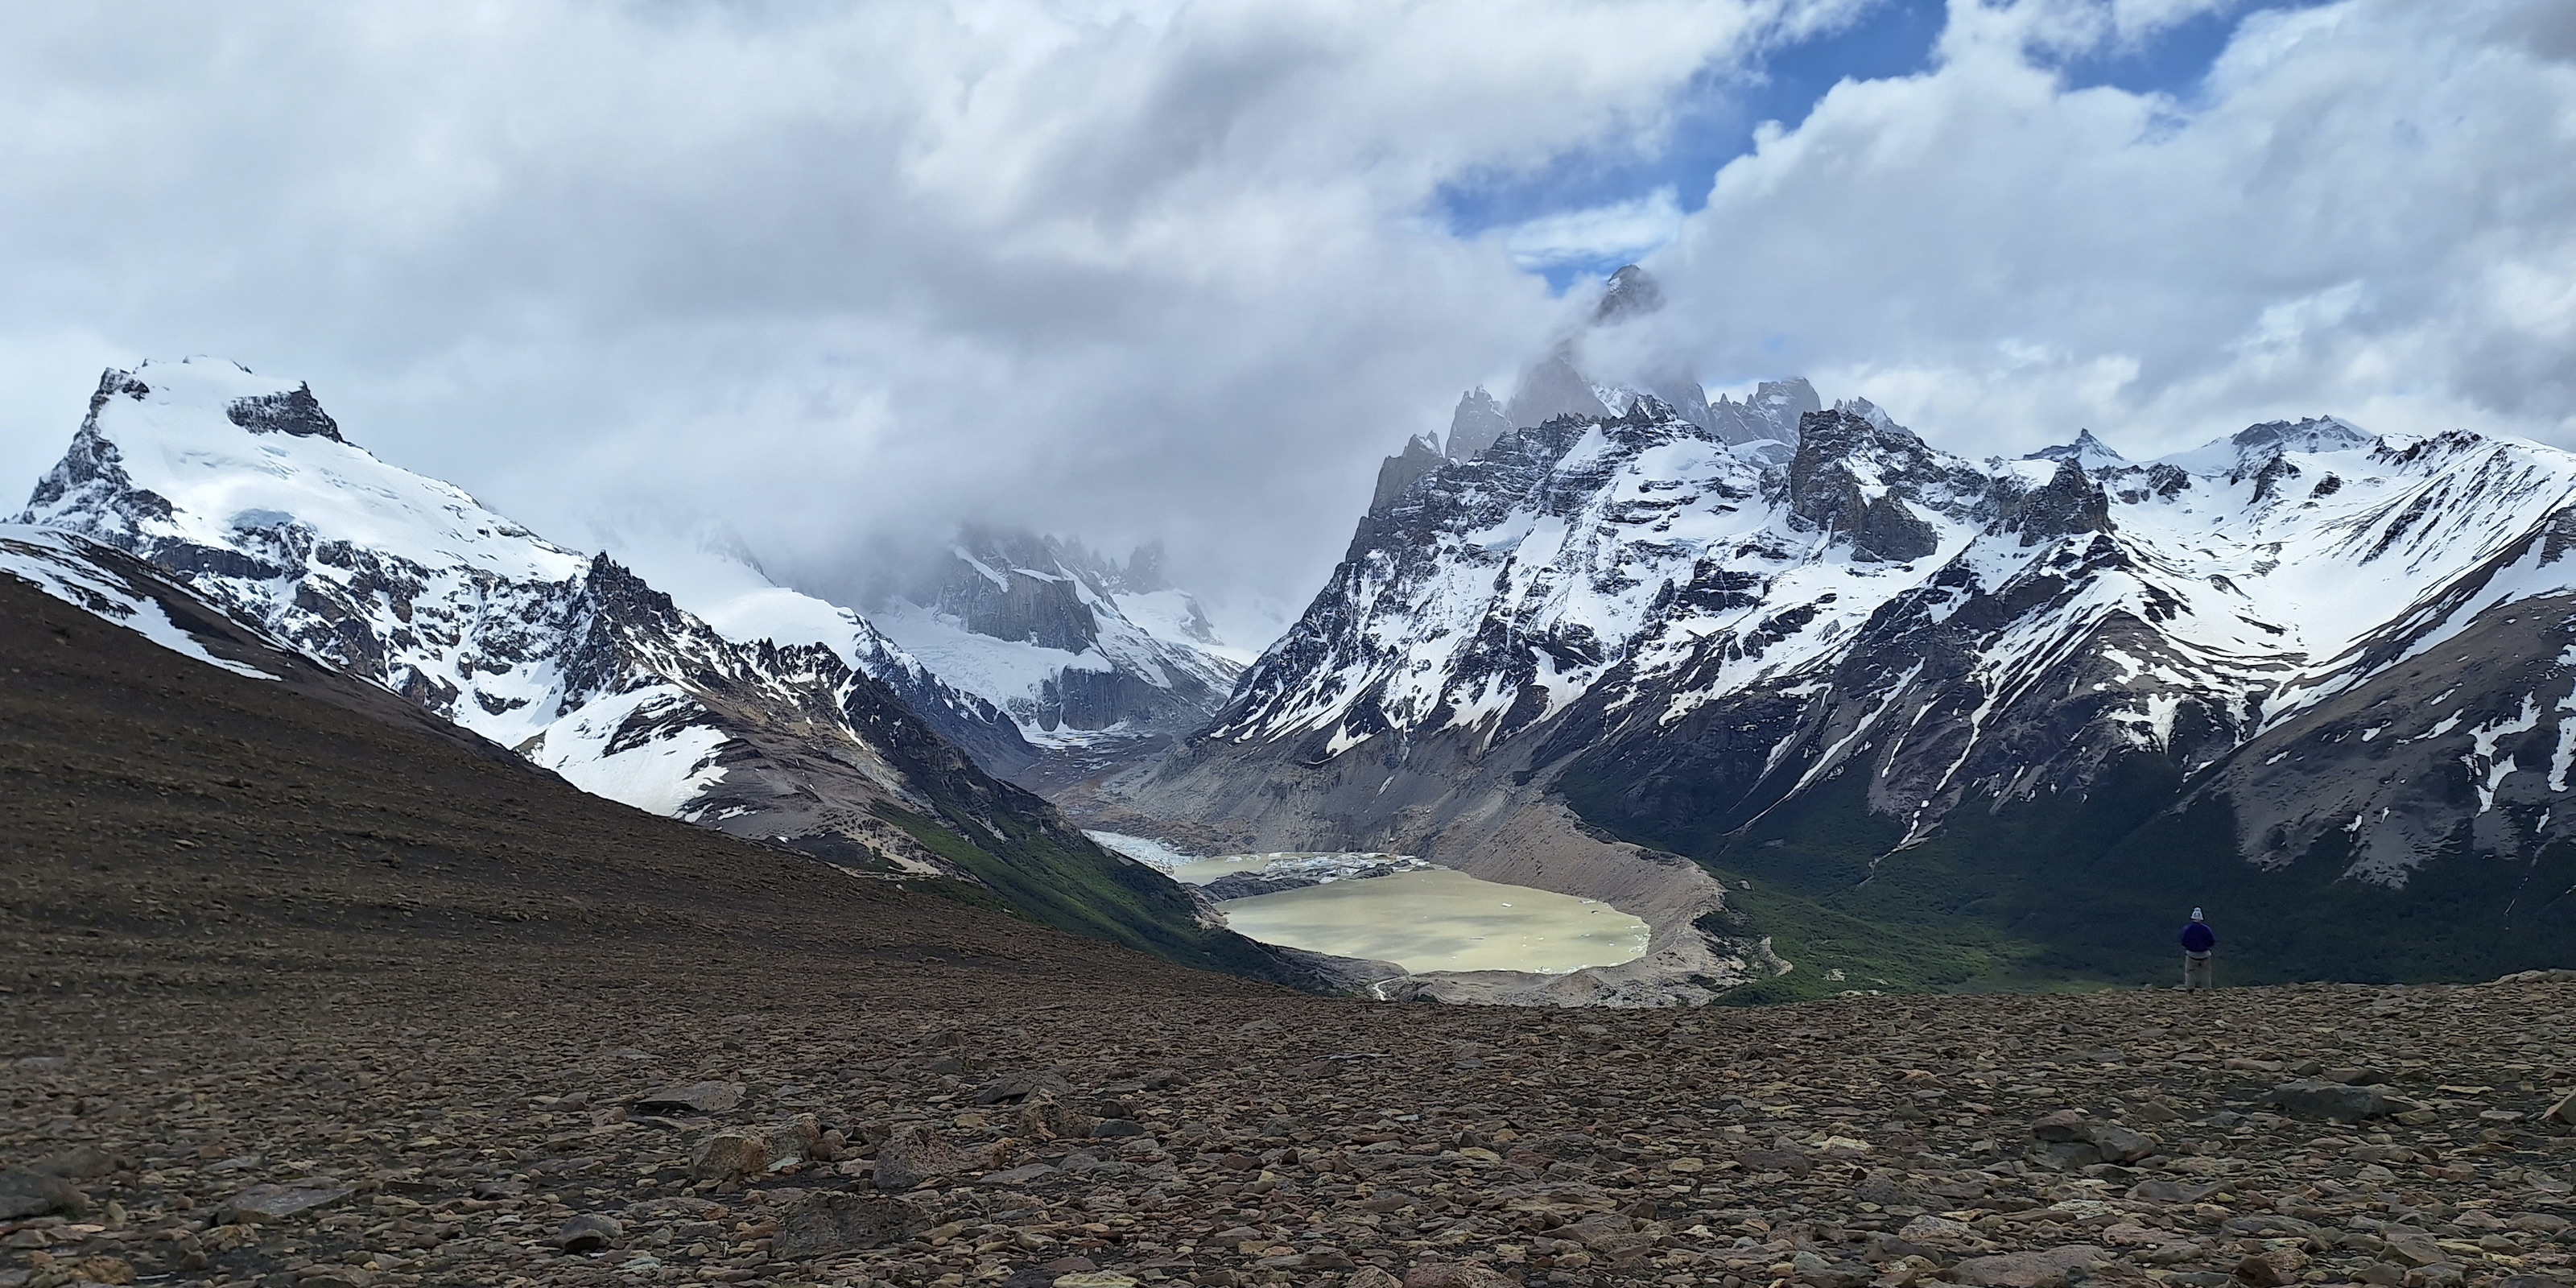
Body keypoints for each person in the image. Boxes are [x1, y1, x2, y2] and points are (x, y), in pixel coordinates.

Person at [2178, 908, 2216, 990]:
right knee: (2205, 972)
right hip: (2205, 954)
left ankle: (2190, 987)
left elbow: (2183, 941)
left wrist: (2189, 947)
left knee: (2190, 972)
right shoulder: (2206, 929)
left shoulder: (2187, 929)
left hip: (2191, 954)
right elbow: (2212, 941)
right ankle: (2206, 988)